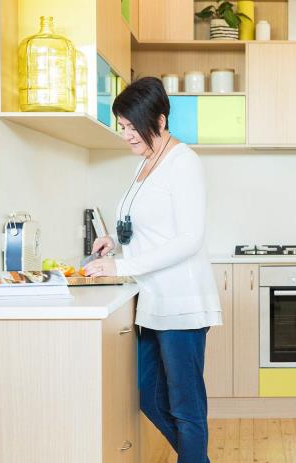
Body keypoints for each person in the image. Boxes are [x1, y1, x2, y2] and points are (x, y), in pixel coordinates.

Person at [84, 77, 221, 463]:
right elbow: (147, 225)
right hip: (153, 300)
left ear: (159, 121)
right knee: (148, 393)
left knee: (185, 404)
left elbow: (189, 238)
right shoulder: (146, 163)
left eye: (132, 126)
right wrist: (115, 240)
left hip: (182, 300)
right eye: (122, 126)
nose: (126, 135)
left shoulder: (183, 162)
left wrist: (122, 264)